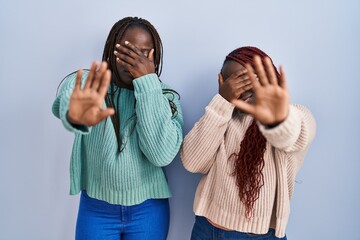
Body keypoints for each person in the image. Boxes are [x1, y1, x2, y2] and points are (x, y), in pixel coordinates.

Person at [52, 17, 183, 240]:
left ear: (155, 59)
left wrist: (147, 84)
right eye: (126, 52)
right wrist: (75, 115)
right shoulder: (89, 84)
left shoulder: (165, 96)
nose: (133, 62)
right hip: (96, 208)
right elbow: (68, 98)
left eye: (143, 54)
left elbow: (161, 155)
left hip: (148, 209)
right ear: (111, 50)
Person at [180, 46, 316, 239]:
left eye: (250, 80)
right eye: (235, 83)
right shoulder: (221, 117)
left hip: (260, 236)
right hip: (206, 229)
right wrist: (222, 102)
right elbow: (192, 162)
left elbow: (290, 134)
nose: (243, 90)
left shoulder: (297, 116)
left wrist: (276, 118)